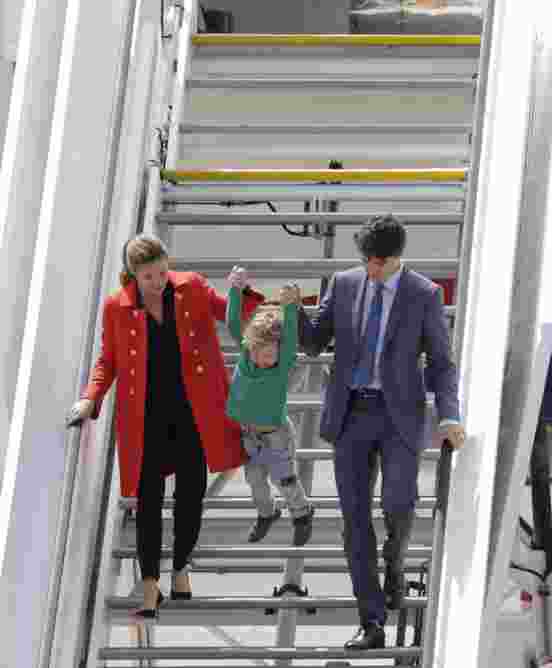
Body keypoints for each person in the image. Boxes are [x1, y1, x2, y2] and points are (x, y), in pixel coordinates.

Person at [66, 234, 263, 620]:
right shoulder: (116, 307)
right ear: (133, 276)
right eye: (148, 277)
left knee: (191, 492)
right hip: (146, 416)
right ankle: (151, 586)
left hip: (194, 411)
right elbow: (108, 360)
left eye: (161, 272)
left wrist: (243, 291)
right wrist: (91, 398)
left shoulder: (192, 287)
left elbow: (232, 314)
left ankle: (182, 568)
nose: (157, 281)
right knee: (148, 501)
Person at [297, 213, 466, 650]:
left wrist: (449, 415)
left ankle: (395, 560)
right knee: (355, 523)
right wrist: (295, 309)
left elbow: (442, 365)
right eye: (366, 260)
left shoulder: (423, 295)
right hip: (351, 413)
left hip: (398, 417)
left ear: (395, 258)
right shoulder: (346, 282)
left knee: (398, 502)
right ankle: (370, 622)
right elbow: (315, 341)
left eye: (377, 262)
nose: (370, 269)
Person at [225, 267, 314, 546]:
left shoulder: (281, 364)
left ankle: (302, 514)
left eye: (271, 356)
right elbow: (232, 323)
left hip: (276, 433)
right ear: (250, 348)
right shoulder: (246, 357)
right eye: (261, 355)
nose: (266, 361)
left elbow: (289, 340)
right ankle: (267, 513)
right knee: (254, 480)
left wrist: (289, 306)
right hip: (250, 433)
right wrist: (235, 289)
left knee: (284, 480)